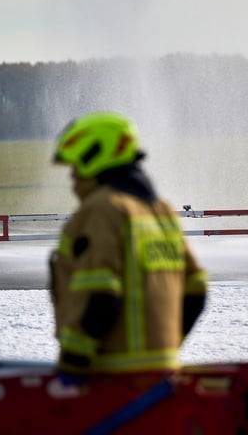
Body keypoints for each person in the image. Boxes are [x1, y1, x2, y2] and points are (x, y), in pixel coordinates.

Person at [49, 112, 208, 377]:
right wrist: (167, 346)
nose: (72, 175)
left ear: (94, 156)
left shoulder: (103, 209)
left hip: (111, 376)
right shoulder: (162, 211)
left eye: (75, 165)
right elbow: (196, 289)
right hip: (162, 376)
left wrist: (75, 358)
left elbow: (102, 293)